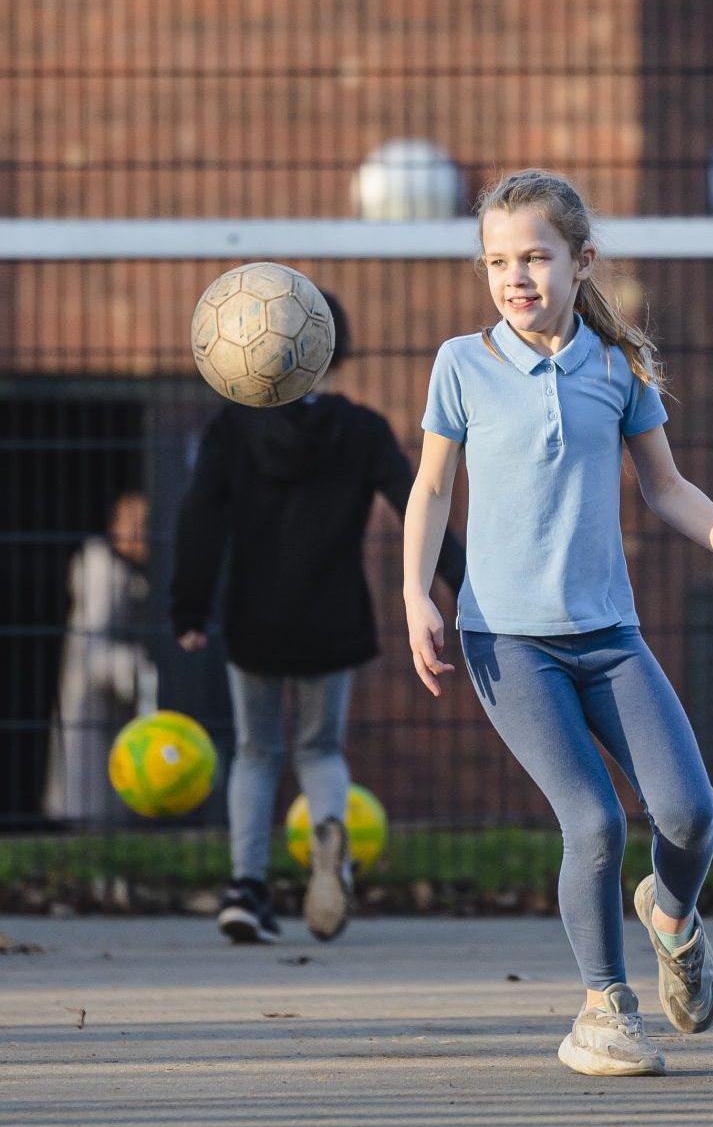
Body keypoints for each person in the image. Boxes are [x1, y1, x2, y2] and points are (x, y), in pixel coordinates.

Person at [399, 169, 713, 1077]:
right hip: (507, 642)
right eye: (497, 261)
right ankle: (604, 1012)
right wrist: (418, 592)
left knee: (690, 815)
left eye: (534, 256)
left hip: (610, 637)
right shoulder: (461, 363)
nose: (515, 276)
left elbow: (666, 486)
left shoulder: (616, 367)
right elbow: (430, 488)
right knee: (596, 823)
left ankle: (672, 918)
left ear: (582, 263)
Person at [171, 290, 465, 945]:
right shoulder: (361, 430)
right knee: (320, 746)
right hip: (334, 619)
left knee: (255, 750)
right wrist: (462, 585)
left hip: (255, 619)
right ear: (329, 351)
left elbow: (200, 517)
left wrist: (189, 604)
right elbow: (418, 501)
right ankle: (330, 843)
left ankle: (245, 888)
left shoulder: (229, 429)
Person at [44, 491, 160, 826]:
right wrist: (140, 669)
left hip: (116, 713)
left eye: (148, 524)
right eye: (135, 524)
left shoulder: (130, 573)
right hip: (93, 709)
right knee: (95, 805)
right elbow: (93, 650)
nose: (144, 534)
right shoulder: (102, 569)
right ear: (115, 528)